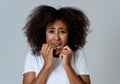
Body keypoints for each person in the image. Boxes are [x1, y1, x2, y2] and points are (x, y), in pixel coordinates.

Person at [22, 5, 91, 84]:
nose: (57, 37)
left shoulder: (78, 54)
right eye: (51, 31)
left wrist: (67, 66)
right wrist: (47, 65)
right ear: (43, 34)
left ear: (69, 34)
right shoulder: (33, 56)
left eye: (62, 31)